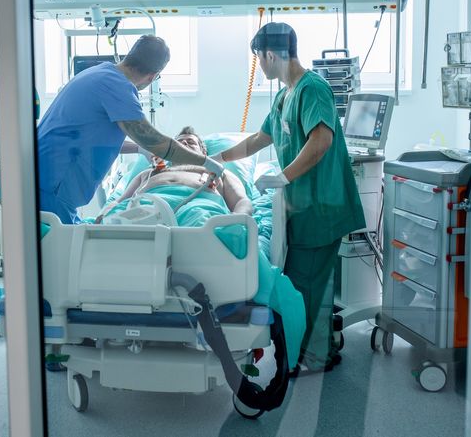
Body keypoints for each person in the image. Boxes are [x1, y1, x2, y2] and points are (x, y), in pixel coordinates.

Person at [215, 22, 366, 373]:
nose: (260, 66)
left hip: (322, 206)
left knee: (307, 285)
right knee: (305, 282)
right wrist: (218, 159)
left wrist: (282, 176)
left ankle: (315, 357)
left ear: (269, 54)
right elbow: (257, 140)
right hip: (302, 206)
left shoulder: (312, 88)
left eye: (259, 59)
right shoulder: (285, 95)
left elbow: (321, 141)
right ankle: (317, 345)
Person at [36, 35, 224, 224]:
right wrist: (206, 162)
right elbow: (156, 142)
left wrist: (139, 149)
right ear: (152, 76)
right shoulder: (119, 88)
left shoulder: (98, 73)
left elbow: (94, 138)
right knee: (62, 248)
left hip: (46, 176)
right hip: (53, 185)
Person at [97, 126, 252, 223]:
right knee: (116, 224)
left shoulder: (218, 172)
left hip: (198, 205)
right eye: (178, 143)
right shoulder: (148, 173)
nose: (184, 144)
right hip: (146, 205)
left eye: (190, 142)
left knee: (201, 220)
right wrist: (104, 214)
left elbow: (241, 201)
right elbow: (120, 202)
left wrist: (237, 220)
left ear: (203, 152)